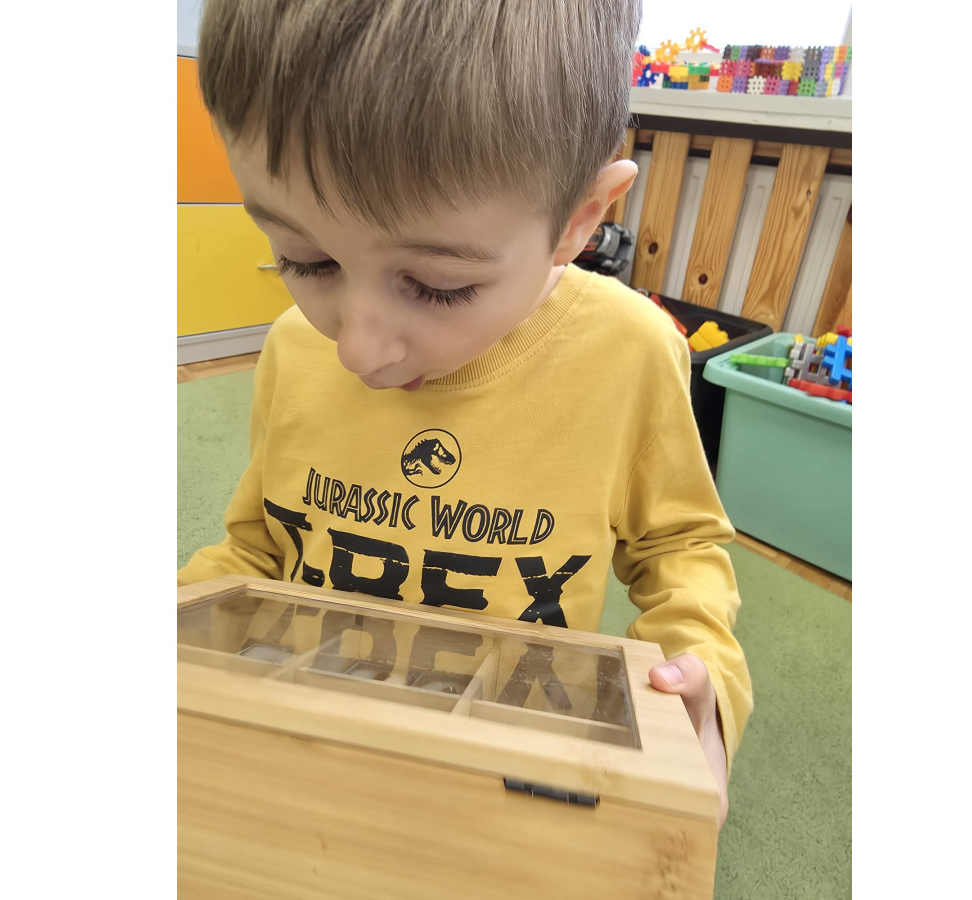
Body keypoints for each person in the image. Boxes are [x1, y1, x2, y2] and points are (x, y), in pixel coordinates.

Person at [178, 0, 751, 828]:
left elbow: (680, 548)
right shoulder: (295, 349)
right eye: (305, 260)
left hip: (512, 773)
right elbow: (258, 547)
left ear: (579, 220)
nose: (359, 350)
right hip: (315, 748)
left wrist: (701, 674)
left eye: (438, 286)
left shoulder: (629, 352)